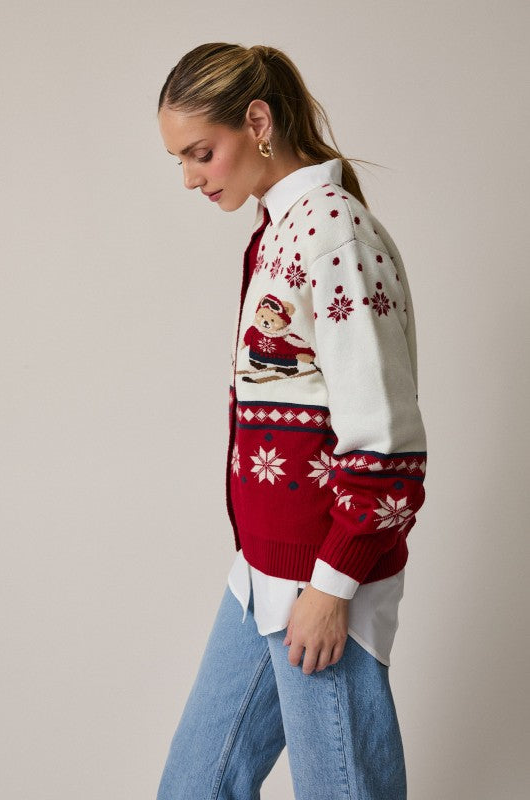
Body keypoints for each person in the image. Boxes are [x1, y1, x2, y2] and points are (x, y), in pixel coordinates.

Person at [155, 42, 428, 800]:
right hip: (261, 577)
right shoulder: (280, 229)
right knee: (192, 788)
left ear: (256, 121)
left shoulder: (334, 233)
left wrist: (331, 589)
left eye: (200, 153)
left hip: (321, 581)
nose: (190, 178)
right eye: (179, 160)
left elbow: (388, 445)